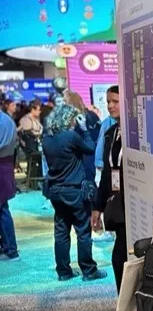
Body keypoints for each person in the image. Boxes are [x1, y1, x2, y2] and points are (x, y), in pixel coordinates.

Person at [42, 105, 107, 281]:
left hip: (56, 191)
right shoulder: (70, 136)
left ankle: (63, 271)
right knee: (83, 231)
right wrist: (85, 129)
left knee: (61, 232)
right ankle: (89, 271)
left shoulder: (46, 139)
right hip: (75, 190)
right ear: (68, 119)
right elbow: (90, 148)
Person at [92, 85, 128, 289]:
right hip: (116, 202)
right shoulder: (111, 132)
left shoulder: (136, 132)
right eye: (108, 102)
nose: (110, 106)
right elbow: (107, 171)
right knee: (119, 259)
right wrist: (97, 206)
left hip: (134, 203)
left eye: (115, 101)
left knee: (121, 257)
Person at [0, 111, 19, 261]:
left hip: (1, 166)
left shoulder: (2, 121)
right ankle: (8, 247)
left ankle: (11, 249)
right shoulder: (8, 120)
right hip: (6, 165)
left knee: (2, 209)